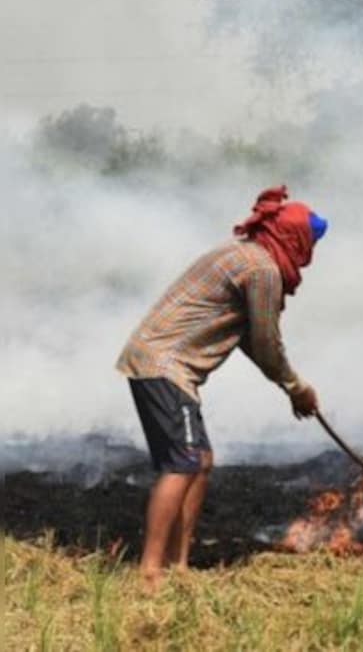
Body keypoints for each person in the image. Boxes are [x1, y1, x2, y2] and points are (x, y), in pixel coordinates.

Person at [116, 184, 327, 590]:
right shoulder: (262, 269)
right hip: (166, 365)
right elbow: (265, 342)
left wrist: (289, 387)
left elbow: (247, 336)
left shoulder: (242, 252)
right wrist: (296, 387)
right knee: (182, 463)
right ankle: (149, 574)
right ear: (295, 239)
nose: (310, 251)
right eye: (310, 241)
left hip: (161, 363)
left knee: (201, 459)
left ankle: (179, 567)